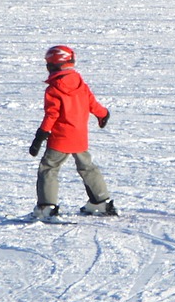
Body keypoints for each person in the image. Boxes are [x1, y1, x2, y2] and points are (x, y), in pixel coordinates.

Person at [31, 44, 116, 220]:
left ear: (53, 65)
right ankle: (101, 201)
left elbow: (52, 114)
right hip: (79, 136)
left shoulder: (54, 88)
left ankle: (47, 207)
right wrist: (103, 114)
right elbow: (92, 103)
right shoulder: (80, 84)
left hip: (60, 138)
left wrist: (41, 134)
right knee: (87, 166)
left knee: (49, 167)